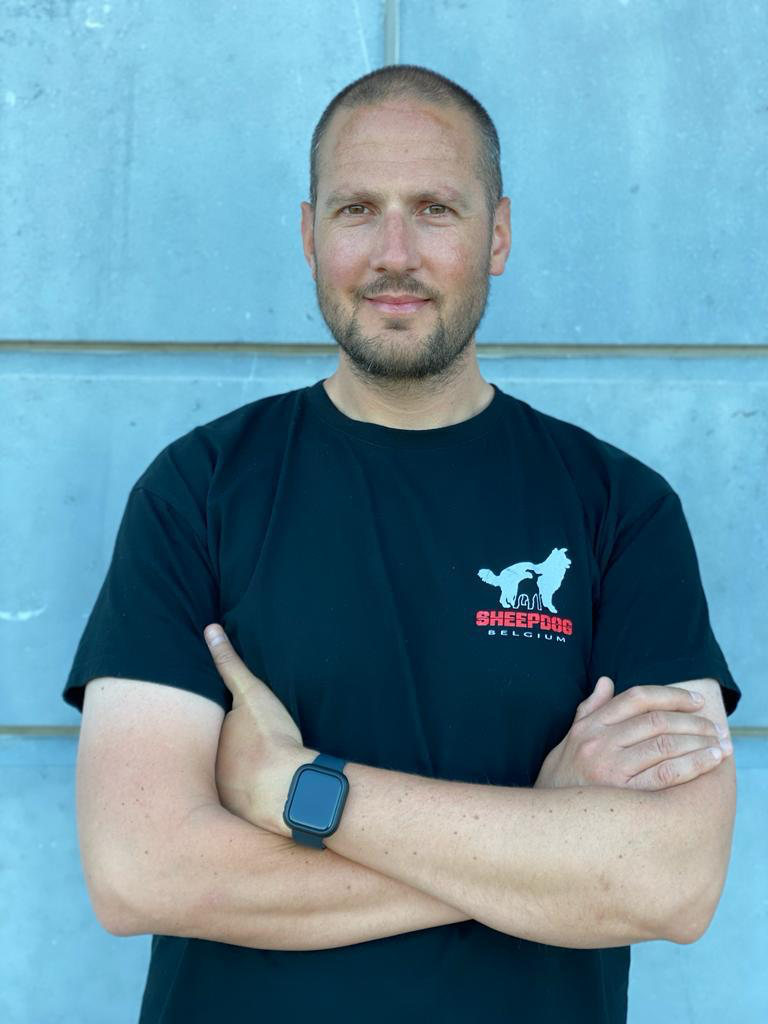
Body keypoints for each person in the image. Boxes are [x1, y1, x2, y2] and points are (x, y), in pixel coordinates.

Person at [64, 65, 740, 1024]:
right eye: (356, 210)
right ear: (310, 236)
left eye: (434, 209)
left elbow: (672, 881)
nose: (394, 254)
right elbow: (140, 870)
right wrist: (546, 837)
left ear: (497, 234)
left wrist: (296, 789)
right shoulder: (199, 491)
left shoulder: (621, 509)